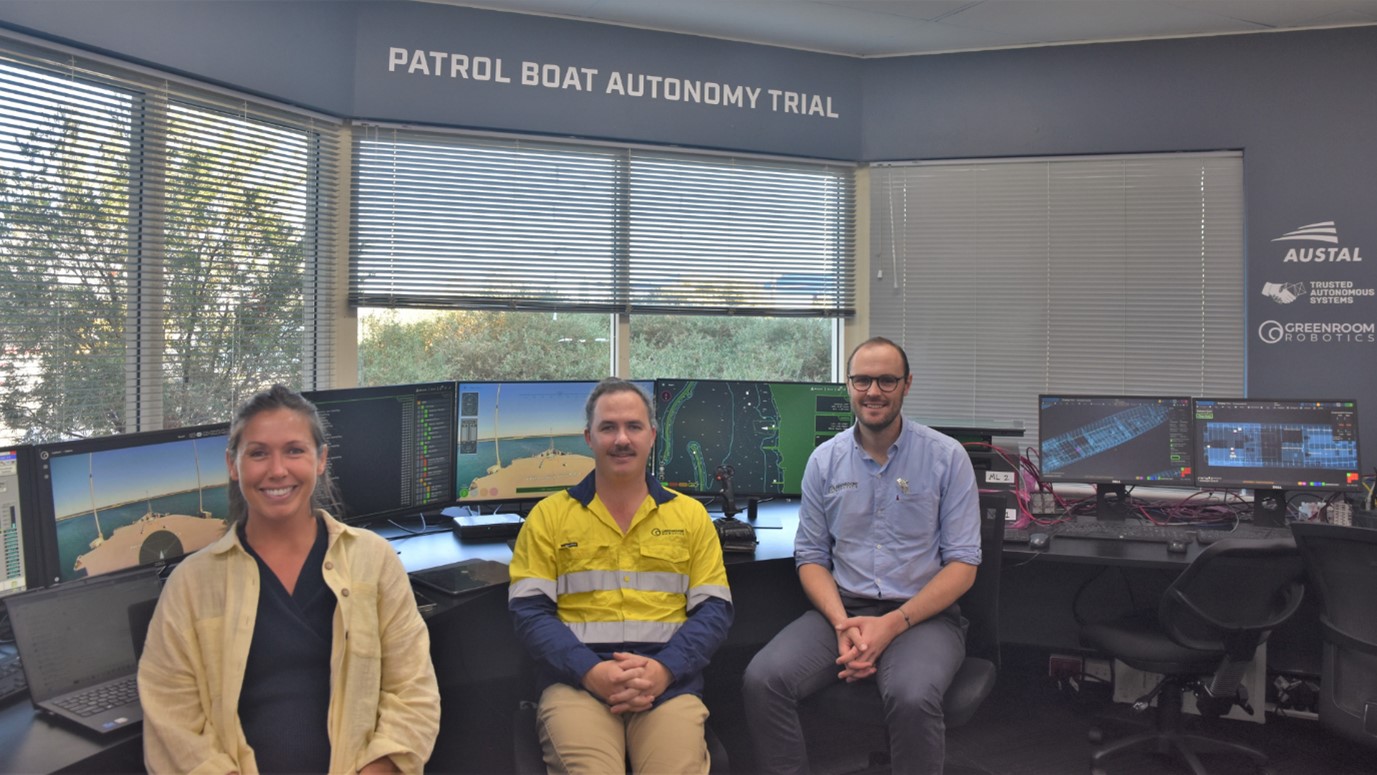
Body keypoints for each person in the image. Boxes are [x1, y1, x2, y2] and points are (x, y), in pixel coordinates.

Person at [139, 385, 441, 775]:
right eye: (259, 453)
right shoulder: (190, 585)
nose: (277, 470)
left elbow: (412, 692)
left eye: (294, 450)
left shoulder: (374, 561)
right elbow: (172, 722)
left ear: (320, 460)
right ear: (234, 465)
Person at [742, 337, 982, 774]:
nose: (874, 391)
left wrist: (891, 625)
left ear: (907, 385)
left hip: (921, 617)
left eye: (887, 380)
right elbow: (811, 557)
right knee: (763, 680)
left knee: (912, 695)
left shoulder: (947, 458)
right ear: (848, 385)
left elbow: (964, 565)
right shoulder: (823, 462)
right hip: (842, 611)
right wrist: (841, 623)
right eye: (862, 380)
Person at [508, 378, 733, 774]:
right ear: (588, 438)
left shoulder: (691, 516)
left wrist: (664, 670)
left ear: (652, 436)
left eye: (633, 426)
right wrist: (590, 671)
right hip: (577, 684)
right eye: (608, 427)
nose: (621, 439)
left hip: (668, 684)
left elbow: (714, 611)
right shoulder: (548, 516)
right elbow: (530, 614)